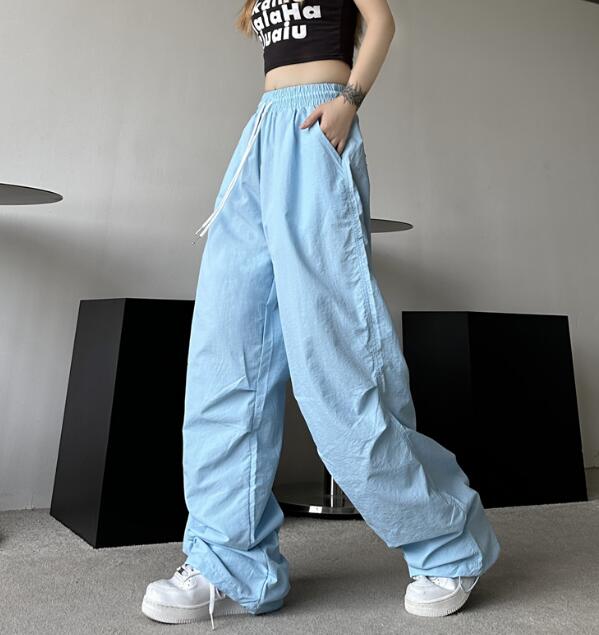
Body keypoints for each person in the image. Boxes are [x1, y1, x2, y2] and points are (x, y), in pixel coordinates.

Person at [141, 0, 501, 627]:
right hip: (261, 133)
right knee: (226, 355)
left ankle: (448, 542)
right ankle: (231, 564)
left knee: (336, 362)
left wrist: (349, 101)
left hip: (317, 127)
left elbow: (381, 21)